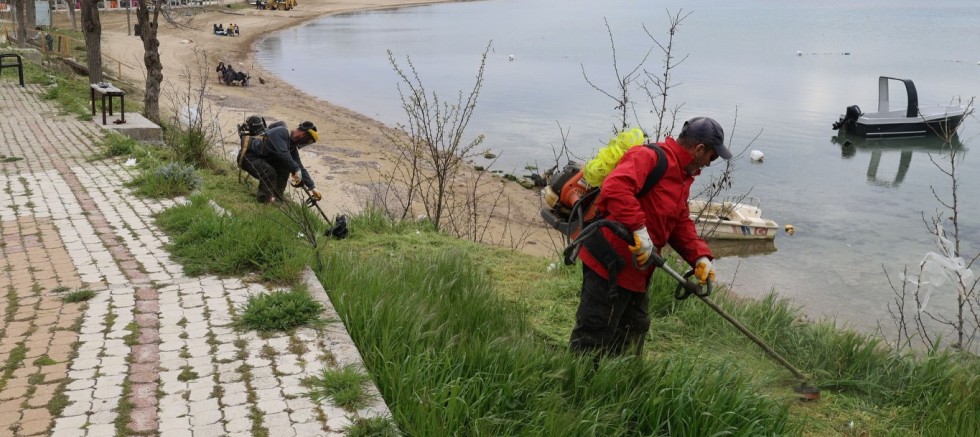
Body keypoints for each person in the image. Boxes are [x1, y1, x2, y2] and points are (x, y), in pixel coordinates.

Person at [569, 116, 732, 362]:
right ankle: (575, 389)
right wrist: (639, 228)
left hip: (639, 269)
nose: (711, 163)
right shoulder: (649, 158)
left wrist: (700, 256)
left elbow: (679, 221)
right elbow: (616, 187)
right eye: (713, 156)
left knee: (633, 330)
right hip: (609, 264)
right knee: (596, 332)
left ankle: (619, 384)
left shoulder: (682, 176)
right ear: (700, 149)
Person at [238, 121, 322, 203]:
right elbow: (284, 154)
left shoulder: (291, 146)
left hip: (261, 159)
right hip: (248, 157)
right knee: (270, 173)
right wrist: (296, 170)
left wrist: (312, 187)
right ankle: (262, 201)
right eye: (306, 139)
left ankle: (277, 198)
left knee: (285, 168)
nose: (304, 142)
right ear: (302, 133)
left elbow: (300, 167)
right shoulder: (281, 132)